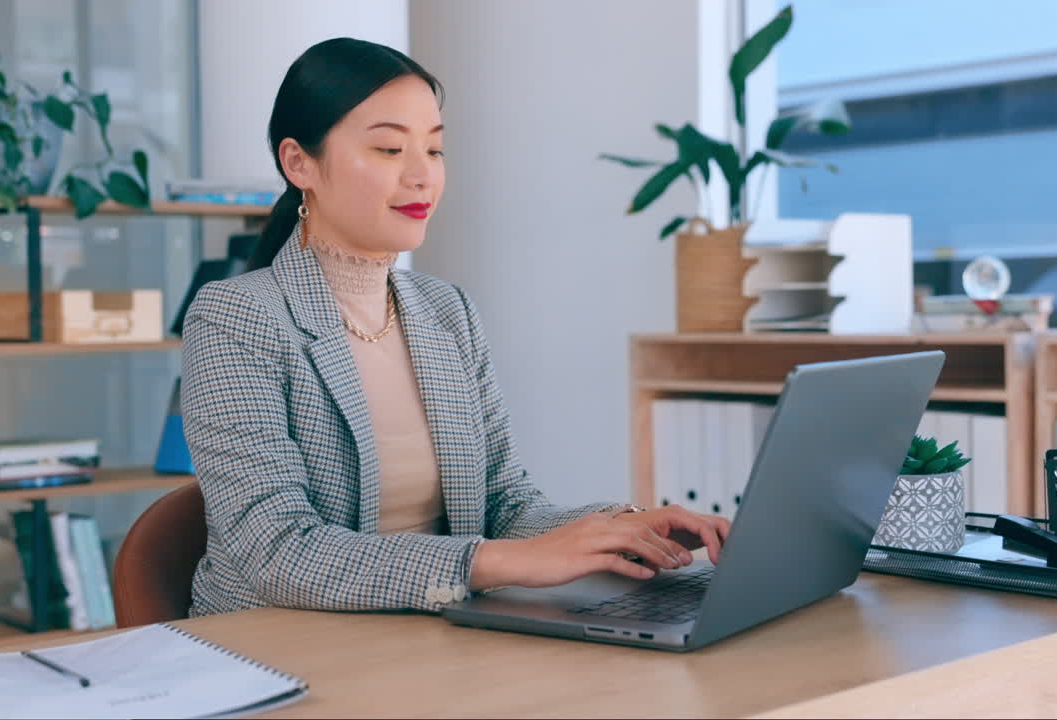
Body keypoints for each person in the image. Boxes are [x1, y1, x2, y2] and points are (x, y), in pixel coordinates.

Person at [181, 37, 730, 616]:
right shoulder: (236, 318)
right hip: (277, 645)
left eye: (435, 150)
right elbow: (276, 553)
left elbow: (505, 505)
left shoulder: (448, 311)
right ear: (299, 163)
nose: (422, 176)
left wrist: (626, 527)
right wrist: (498, 563)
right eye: (390, 149)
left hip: (425, 634)